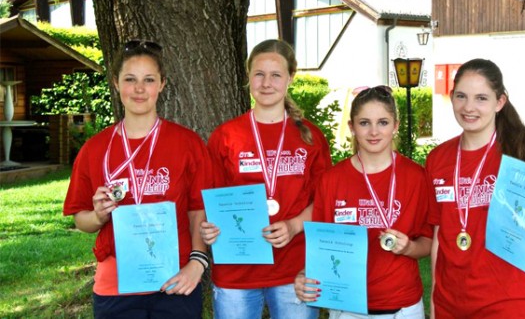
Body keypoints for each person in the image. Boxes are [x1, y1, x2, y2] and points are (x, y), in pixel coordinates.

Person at [63, 40, 214, 319]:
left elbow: (198, 211)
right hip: (115, 286)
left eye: (149, 80)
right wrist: (97, 216)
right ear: (116, 83)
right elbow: (80, 219)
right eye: (130, 79)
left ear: (162, 84)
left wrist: (198, 262)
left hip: (177, 280)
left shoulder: (187, 143)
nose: (140, 89)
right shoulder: (95, 149)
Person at [425, 58, 525, 318]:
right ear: (452, 97)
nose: (469, 107)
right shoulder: (438, 158)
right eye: (461, 96)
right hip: (452, 303)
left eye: (481, 98)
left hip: (510, 302)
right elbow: (439, 235)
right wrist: (435, 303)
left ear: (499, 102)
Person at [200, 39, 333, 319]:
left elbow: (324, 202)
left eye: (276, 75)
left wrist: (295, 225)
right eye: (259, 74)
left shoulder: (311, 137)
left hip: (294, 269)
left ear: (290, 78)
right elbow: (211, 201)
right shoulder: (226, 136)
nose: (266, 83)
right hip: (237, 268)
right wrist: (209, 228)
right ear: (248, 77)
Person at [294, 85, 434, 319]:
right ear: (352, 127)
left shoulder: (416, 177)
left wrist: (409, 247)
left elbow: (428, 241)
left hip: (401, 307)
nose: (373, 132)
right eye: (364, 123)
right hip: (346, 307)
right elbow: (321, 245)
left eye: (383, 122)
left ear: (395, 126)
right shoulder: (332, 179)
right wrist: (304, 275)